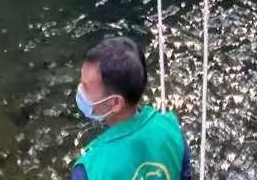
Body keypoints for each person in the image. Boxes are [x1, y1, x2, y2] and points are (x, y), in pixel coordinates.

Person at [71, 36, 192, 180]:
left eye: (85, 86)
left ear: (115, 103)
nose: (80, 91)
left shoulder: (89, 169)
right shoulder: (171, 128)